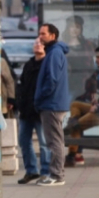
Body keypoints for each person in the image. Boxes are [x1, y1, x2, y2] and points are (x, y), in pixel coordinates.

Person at [35, 23, 71, 186]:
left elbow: (52, 80)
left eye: (43, 34)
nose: (40, 37)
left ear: (53, 36)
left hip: (52, 104)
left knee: (54, 141)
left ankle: (57, 175)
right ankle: (56, 173)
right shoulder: (53, 52)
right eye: (40, 33)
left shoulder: (55, 53)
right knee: (55, 140)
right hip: (53, 103)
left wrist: (41, 97)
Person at [64, 45, 99, 166]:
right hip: (96, 105)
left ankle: (73, 155)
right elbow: (91, 90)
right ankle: (73, 122)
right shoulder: (98, 72)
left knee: (76, 126)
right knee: (75, 105)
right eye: (96, 57)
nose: (96, 60)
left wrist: (98, 105)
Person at [16, 38, 50, 184]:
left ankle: (46, 172)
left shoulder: (47, 63)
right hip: (26, 110)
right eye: (35, 43)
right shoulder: (29, 64)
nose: (37, 45)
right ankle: (31, 171)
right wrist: (19, 103)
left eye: (41, 43)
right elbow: (22, 85)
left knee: (44, 143)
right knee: (24, 141)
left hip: (40, 110)